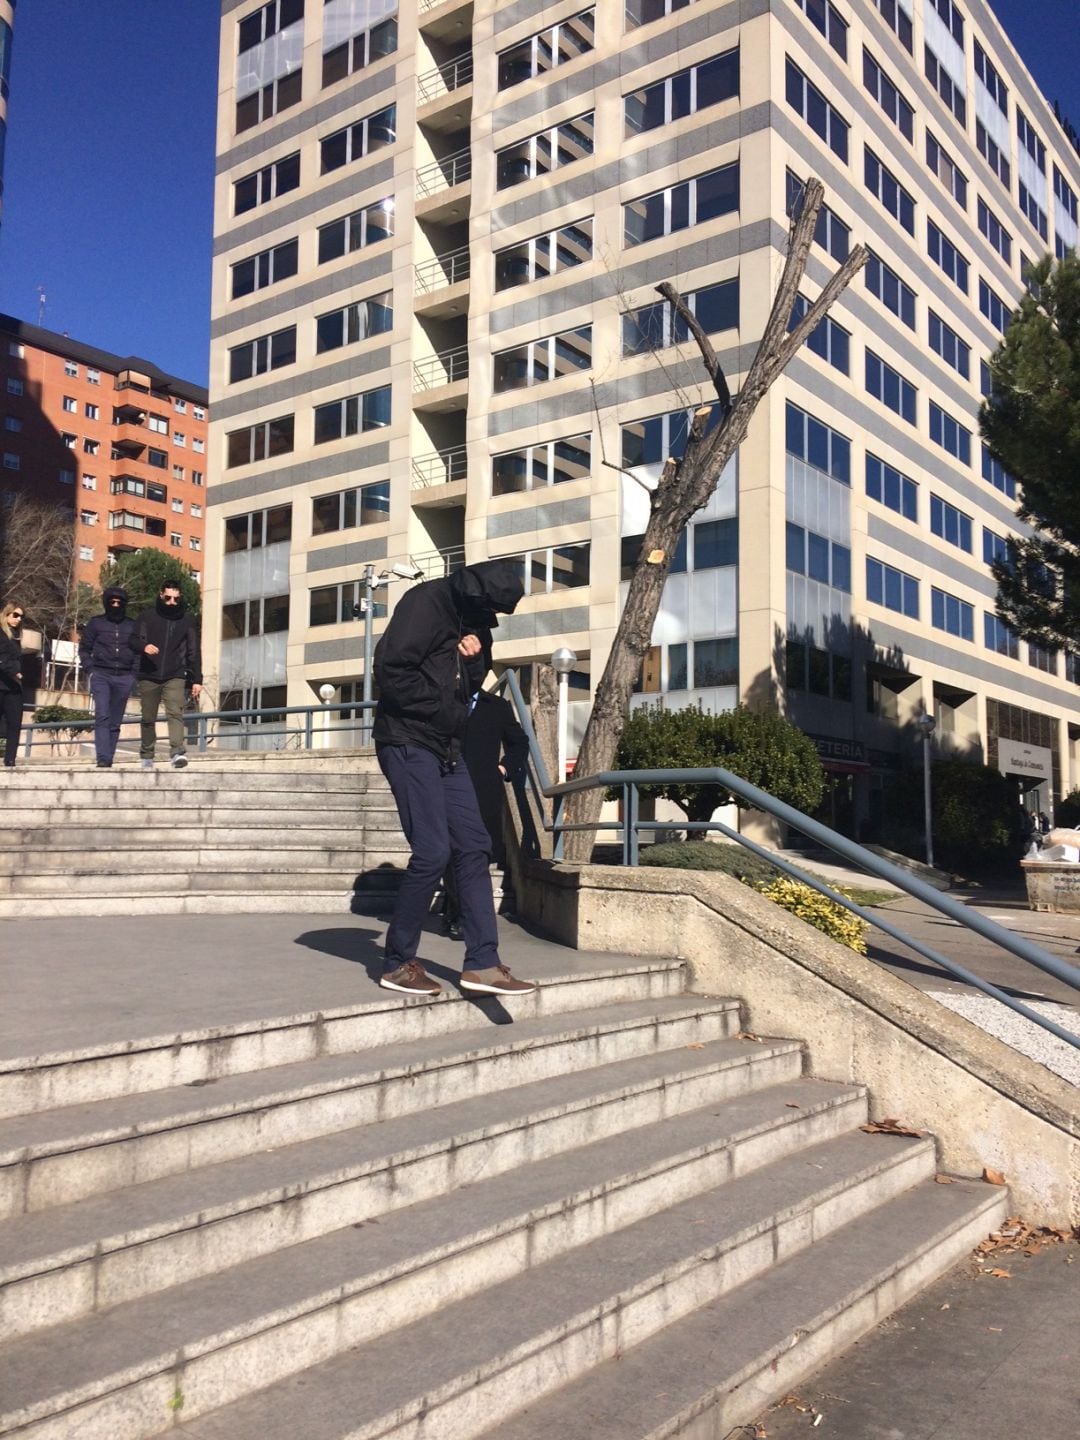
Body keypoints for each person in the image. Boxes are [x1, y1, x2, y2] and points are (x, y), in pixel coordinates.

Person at [372, 559, 537, 998]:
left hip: (448, 747)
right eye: (493, 612)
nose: (494, 621)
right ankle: (397, 962)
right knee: (432, 850)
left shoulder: (477, 619)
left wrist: (475, 658)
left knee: (474, 845)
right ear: (478, 595)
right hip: (406, 740)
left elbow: (474, 682)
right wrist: (445, 704)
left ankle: (483, 962)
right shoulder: (425, 603)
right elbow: (391, 672)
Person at [442, 665, 530, 940]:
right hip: (445, 788)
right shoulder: (442, 703)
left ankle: (460, 911)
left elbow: (519, 742)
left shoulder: (497, 707)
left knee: (475, 855)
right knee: (450, 853)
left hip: (483, 791)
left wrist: (504, 768)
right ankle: (457, 912)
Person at [131, 582, 202, 769]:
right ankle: (147, 755)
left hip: (175, 674)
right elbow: (132, 639)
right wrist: (144, 647)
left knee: (175, 713)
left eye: (176, 599)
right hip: (149, 673)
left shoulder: (186, 621)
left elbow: (194, 651)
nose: (172, 602)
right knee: (148, 718)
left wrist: (197, 679)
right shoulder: (147, 616)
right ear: (161, 595)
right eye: (168, 597)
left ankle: (177, 752)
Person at [79, 586, 140, 768]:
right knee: (102, 716)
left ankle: (109, 756)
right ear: (106, 603)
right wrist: (90, 669)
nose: (115, 605)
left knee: (115, 720)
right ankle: (103, 758)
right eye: (112, 602)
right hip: (101, 675)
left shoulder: (132, 625)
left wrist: (133, 675)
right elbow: (84, 649)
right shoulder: (96, 623)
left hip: (124, 676)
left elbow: (138, 651)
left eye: (119, 602)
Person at [0, 601, 25, 769]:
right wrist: (14, 672)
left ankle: (10, 760)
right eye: (15, 615)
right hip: (2, 682)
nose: (18, 619)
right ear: (6, 615)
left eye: (21, 616)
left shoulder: (15, 637)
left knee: (15, 722)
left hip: (14, 687)